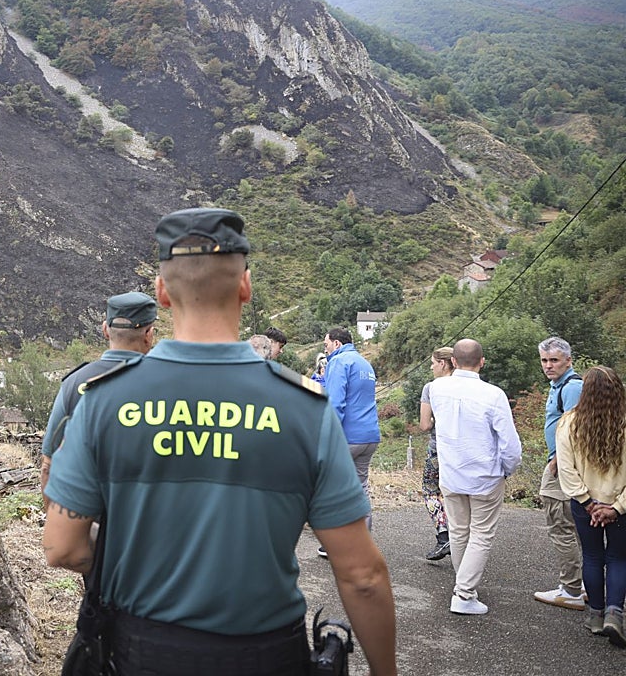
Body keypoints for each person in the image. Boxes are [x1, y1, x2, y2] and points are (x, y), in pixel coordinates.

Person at [43, 207, 397, 676]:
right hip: (266, 655)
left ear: (162, 294)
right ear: (245, 286)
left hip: (140, 653)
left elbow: (62, 548)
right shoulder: (304, 409)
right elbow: (363, 576)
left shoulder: (102, 402)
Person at [429, 338, 522, 615]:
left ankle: (464, 585)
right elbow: (510, 445)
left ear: (453, 361)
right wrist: (507, 470)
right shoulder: (493, 395)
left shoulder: (436, 388)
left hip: (451, 473)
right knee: (481, 534)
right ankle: (464, 593)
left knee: (459, 532)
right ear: (482, 362)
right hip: (484, 476)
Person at [39, 291, 157, 494]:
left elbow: (48, 466)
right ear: (149, 334)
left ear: (105, 330)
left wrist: (57, 522)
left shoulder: (74, 384)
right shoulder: (164, 383)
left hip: (89, 517)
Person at [557, 365, 626, 644]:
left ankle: (595, 615)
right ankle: (614, 614)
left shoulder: (569, 422)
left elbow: (567, 469)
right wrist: (615, 507)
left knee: (593, 557)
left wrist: (588, 503)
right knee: (619, 558)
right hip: (620, 508)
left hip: (585, 506)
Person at [534, 336, 586, 610]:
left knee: (561, 525)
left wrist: (557, 460)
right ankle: (586, 585)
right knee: (577, 526)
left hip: (563, 466)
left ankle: (571, 589)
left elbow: (576, 431)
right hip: (564, 463)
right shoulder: (561, 385)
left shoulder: (572, 387)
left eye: (554, 360)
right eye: (544, 360)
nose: (548, 365)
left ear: (568, 360)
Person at [319, 326, 380, 554]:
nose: (325, 350)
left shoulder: (339, 362)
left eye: (326, 345)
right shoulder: (365, 364)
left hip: (348, 436)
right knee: (360, 488)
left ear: (337, 343)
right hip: (369, 435)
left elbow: (335, 403)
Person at [417, 347, 456, 561]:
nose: (431, 366)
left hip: (438, 447)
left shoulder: (431, 388)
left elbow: (424, 425)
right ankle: (461, 537)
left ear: (443, 363)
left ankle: (443, 535)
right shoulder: (467, 386)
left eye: (433, 362)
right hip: (462, 449)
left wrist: (434, 421)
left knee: (431, 491)